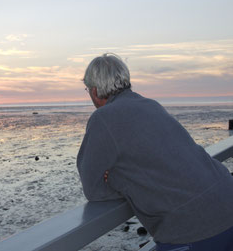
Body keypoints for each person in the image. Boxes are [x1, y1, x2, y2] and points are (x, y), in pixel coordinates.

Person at [77, 53, 233, 251]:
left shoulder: (103, 118)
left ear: (94, 91)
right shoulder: (151, 105)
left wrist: (116, 178)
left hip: (195, 230)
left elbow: (94, 190)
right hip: (227, 199)